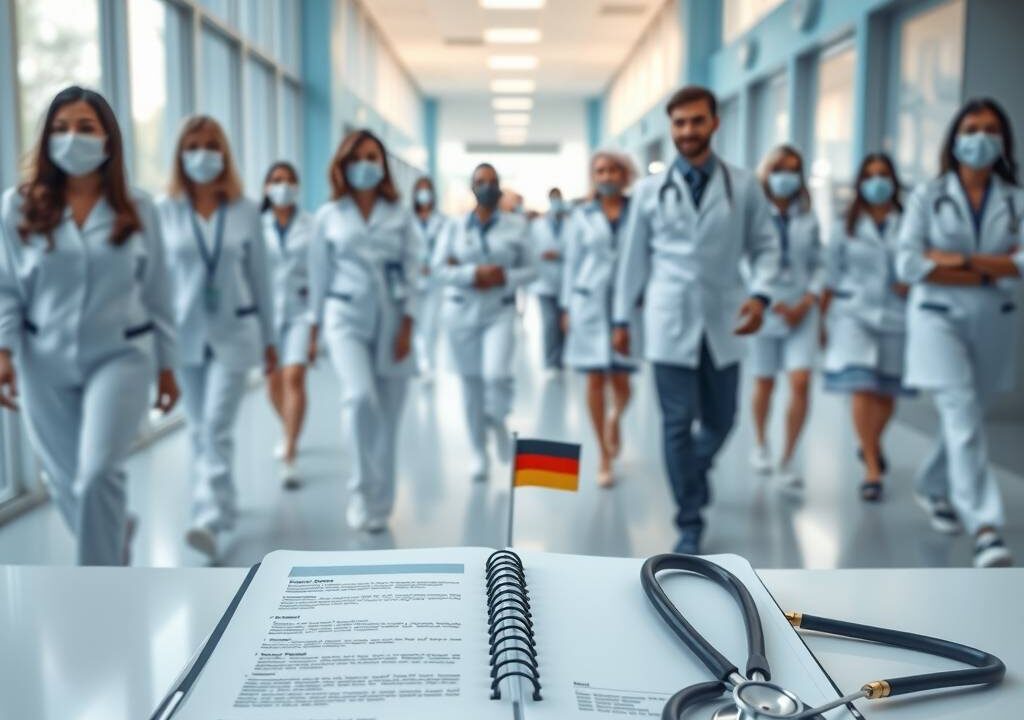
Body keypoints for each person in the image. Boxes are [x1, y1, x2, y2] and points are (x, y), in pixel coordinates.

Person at [0, 86, 178, 565]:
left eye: (84, 127)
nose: (71, 139)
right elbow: (6, 288)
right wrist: (2, 353)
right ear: (45, 140)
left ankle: (101, 586)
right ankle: (114, 530)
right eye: (59, 129)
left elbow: (160, 292)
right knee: (63, 479)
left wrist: (168, 367)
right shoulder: (17, 207)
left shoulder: (141, 209)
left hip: (120, 357)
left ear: (108, 140)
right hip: (43, 359)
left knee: (98, 474)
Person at [611, 85, 779, 555]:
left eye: (696, 121)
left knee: (723, 420)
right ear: (672, 128)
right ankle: (688, 518)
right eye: (680, 123)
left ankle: (693, 470)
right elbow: (632, 261)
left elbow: (766, 246)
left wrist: (761, 295)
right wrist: (620, 319)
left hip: (725, 318)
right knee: (676, 423)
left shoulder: (743, 185)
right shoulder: (647, 192)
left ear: (714, 123)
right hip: (669, 320)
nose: (687, 131)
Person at [897, 98, 1023, 568]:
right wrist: (995, 266)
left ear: (1004, 141)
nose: (981, 137)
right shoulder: (927, 197)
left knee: (969, 414)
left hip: (995, 318)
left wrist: (955, 260)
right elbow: (909, 264)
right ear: (955, 139)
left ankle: (932, 484)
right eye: (971, 128)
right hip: (936, 317)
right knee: (961, 409)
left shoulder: (1015, 199)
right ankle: (985, 526)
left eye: (991, 128)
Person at [158, 115, 276, 561]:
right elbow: (154, 281)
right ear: (179, 155)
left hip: (235, 332)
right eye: (193, 146)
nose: (202, 154)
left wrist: (271, 340)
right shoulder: (164, 211)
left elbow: (261, 279)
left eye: (210, 146)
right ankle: (220, 503)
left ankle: (207, 517)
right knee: (199, 427)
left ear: (223, 153)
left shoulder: (245, 210)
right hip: (183, 334)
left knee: (218, 424)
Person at [308, 129, 420, 532]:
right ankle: (360, 491)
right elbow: (318, 276)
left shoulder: (400, 214)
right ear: (343, 164)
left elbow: (413, 272)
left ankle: (381, 502)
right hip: (345, 317)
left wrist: (408, 324)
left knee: (388, 419)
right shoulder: (329, 216)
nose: (365, 166)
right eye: (357, 158)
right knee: (358, 399)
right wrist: (312, 328)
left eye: (373, 157)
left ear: (383, 165)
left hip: (393, 323)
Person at [432, 163, 535, 482]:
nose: (487, 186)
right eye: (480, 181)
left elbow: (533, 270)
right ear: (472, 187)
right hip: (461, 313)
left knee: (496, 375)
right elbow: (437, 269)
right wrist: (471, 274)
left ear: (500, 187)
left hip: (499, 310)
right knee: (471, 387)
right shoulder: (453, 227)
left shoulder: (517, 226)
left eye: (492, 181)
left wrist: (504, 276)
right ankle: (479, 452)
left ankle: (498, 420)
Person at [821, 153, 910, 504]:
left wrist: (912, 283)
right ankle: (872, 469)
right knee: (862, 387)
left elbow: (921, 261)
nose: (877, 182)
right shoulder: (846, 224)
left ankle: (869, 442)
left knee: (887, 392)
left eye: (883, 175)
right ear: (860, 183)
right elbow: (830, 273)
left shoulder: (908, 221)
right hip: (852, 313)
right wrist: (820, 322)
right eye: (870, 175)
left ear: (894, 180)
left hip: (896, 314)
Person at [561, 152, 640, 487]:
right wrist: (565, 307)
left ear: (625, 175)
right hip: (589, 304)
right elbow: (572, 263)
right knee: (594, 379)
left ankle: (614, 420)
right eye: (600, 171)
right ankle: (603, 455)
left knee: (622, 384)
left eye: (612, 170)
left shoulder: (639, 210)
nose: (606, 176)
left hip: (626, 305)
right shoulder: (581, 215)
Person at [748, 145, 823, 490]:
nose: (786, 176)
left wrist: (808, 300)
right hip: (764, 309)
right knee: (765, 381)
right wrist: (766, 299)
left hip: (802, 310)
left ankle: (788, 457)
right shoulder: (753, 211)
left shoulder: (807, 214)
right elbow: (743, 260)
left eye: (794, 169)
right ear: (767, 172)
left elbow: (819, 263)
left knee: (801, 382)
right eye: (780, 168)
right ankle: (761, 444)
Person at [260, 161, 313, 489]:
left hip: (301, 311)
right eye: (277, 180)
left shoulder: (312, 225)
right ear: (267, 187)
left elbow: (321, 272)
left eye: (290, 180)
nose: (284, 186)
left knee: (294, 377)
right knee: (273, 385)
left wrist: (317, 324)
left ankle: (290, 453)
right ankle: (289, 429)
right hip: (267, 316)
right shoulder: (257, 224)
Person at [410, 175, 448, 383]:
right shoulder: (408, 220)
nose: (424, 194)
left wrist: (432, 266)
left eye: (427, 189)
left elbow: (445, 250)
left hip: (434, 280)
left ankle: (429, 367)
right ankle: (417, 364)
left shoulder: (442, 221)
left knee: (430, 327)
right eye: (420, 189)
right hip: (413, 279)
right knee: (414, 325)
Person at [529, 187, 569, 376]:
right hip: (543, 281)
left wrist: (560, 254)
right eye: (553, 198)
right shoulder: (538, 225)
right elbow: (530, 251)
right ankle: (551, 360)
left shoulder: (571, 223)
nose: (556, 201)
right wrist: (542, 255)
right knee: (549, 322)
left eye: (557, 198)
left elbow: (576, 250)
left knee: (563, 322)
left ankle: (562, 359)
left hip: (566, 282)